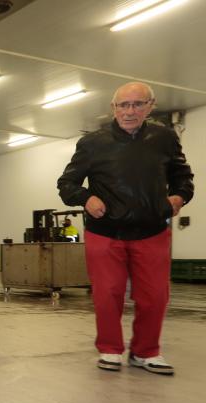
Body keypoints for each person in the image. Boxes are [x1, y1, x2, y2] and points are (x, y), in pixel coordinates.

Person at [57, 81, 194, 375]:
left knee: (155, 295)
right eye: (124, 105)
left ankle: (146, 352)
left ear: (150, 106)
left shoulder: (165, 139)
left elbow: (183, 177)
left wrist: (178, 197)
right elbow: (66, 184)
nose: (130, 111)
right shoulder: (92, 143)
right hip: (105, 232)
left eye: (138, 104)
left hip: (152, 230)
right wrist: (86, 197)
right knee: (107, 293)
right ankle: (110, 349)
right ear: (113, 108)